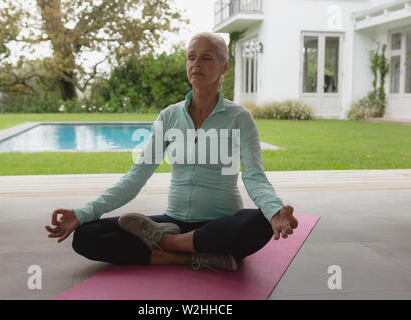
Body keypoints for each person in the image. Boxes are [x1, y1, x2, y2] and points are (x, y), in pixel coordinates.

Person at [45, 32, 298, 272]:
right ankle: (185, 257)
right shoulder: (169, 116)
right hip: (172, 222)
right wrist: (83, 213)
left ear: (224, 67)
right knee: (87, 236)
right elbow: (137, 175)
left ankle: (167, 245)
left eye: (206, 57)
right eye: (191, 57)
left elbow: (254, 177)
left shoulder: (239, 117)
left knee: (259, 223)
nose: (196, 63)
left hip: (220, 224)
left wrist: (274, 211)